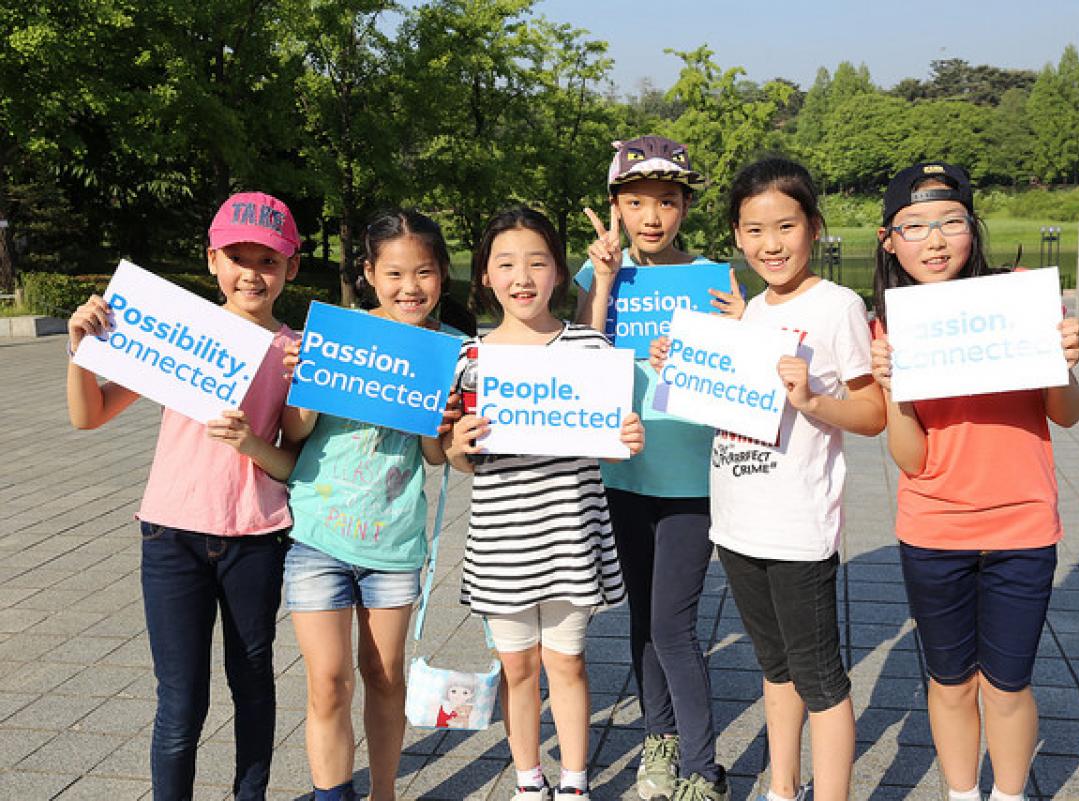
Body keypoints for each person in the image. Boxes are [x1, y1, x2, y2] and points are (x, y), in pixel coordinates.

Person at [650, 158, 886, 801]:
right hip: (736, 520)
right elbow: (721, 395)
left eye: (786, 225)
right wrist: (679, 364)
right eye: (754, 230)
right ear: (736, 234)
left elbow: (872, 413)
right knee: (774, 669)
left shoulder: (839, 307)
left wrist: (813, 402)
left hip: (797, 527)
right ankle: (783, 787)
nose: (771, 243)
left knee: (819, 677)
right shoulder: (749, 312)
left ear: (813, 227)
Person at [66, 191, 303, 800]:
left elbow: (295, 457)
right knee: (180, 700)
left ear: (291, 267)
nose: (253, 272)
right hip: (171, 535)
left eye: (269, 260)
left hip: (255, 534)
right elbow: (88, 415)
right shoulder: (178, 333)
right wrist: (80, 352)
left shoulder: (296, 351)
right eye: (238, 258)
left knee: (252, 683)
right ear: (213, 262)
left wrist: (268, 426)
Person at [869, 162, 1079, 801]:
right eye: (914, 227)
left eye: (950, 222)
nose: (934, 240)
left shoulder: (1018, 296)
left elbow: (1067, 414)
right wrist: (895, 391)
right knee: (950, 682)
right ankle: (963, 792)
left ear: (972, 227)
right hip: (934, 530)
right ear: (889, 240)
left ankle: (1010, 793)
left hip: (1023, 524)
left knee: (1008, 684)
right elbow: (909, 459)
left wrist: (1063, 361)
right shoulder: (887, 325)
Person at [446, 207, 645, 801]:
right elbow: (459, 459)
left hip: (570, 538)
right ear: (484, 275)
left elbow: (606, 441)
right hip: (502, 542)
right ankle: (529, 781)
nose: (522, 276)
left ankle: (576, 782)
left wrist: (625, 439)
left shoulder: (589, 347)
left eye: (537, 262)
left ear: (559, 272)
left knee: (568, 666)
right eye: (506, 263)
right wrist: (456, 447)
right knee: (519, 671)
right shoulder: (471, 360)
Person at [281, 209, 468, 801]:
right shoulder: (339, 336)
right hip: (317, 532)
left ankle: (383, 792)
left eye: (425, 272)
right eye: (394, 273)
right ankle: (331, 793)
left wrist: (438, 421)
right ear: (368, 273)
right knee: (328, 682)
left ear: (441, 275)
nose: (410, 287)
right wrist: (303, 380)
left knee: (385, 680)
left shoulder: (451, 351)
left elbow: (435, 458)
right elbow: (295, 430)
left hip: (394, 541)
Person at [575, 135, 739, 801]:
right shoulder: (597, 275)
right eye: (636, 201)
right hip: (622, 478)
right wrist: (606, 277)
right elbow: (581, 356)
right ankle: (659, 744)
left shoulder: (714, 276)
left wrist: (714, 347)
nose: (651, 216)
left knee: (675, 624)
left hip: (694, 479)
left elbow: (740, 368)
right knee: (643, 617)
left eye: (666, 202)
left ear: (685, 206)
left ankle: (703, 768)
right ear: (615, 205)